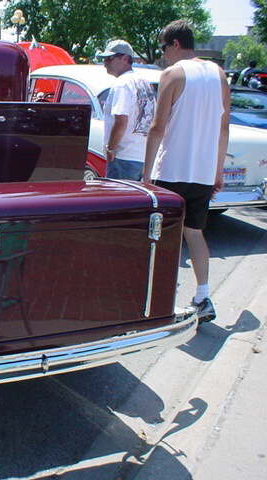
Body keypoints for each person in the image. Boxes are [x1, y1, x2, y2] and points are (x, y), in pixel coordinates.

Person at [143, 20, 230, 324]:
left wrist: (145, 175)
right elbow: (223, 127)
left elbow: (157, 127)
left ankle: (163, 301)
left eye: (164, 48)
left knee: (165, 237)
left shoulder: (173, 74)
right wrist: (218, 171)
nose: (164, 54)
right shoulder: (219, 75)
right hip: (203, 172)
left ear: (175, 44)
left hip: (171, 168)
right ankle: (203, 295)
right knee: (194, 233)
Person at [97, 39, 156, 180]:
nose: (105, 63)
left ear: (125, 58)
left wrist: (110, 148)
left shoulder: (122, 84)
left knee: (116, 200)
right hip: (143, 157)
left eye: (109, 58)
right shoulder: (144, 83)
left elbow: (121, 120)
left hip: (123, 158)